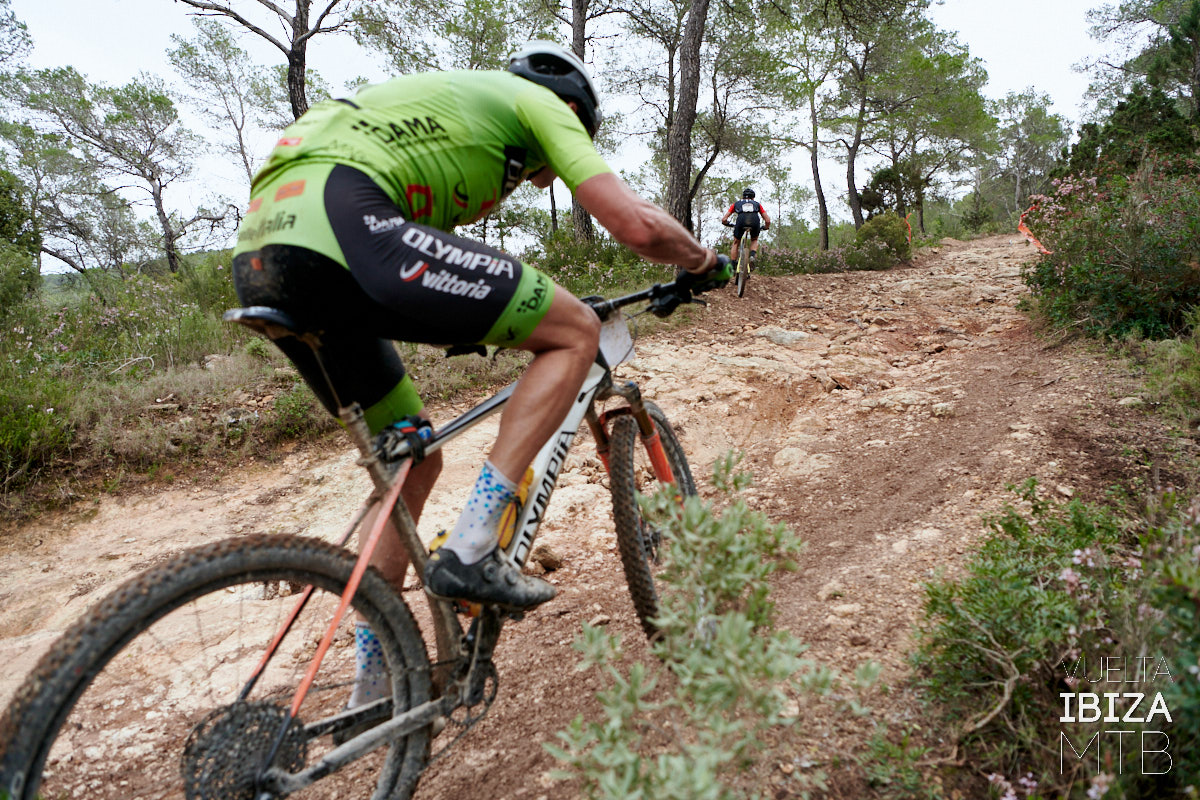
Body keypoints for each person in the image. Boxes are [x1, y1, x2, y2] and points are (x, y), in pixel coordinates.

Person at [230, 41, 729, 704]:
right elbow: (632, 224)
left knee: (414, 457)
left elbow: (418, 254)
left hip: (266, 252)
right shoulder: (538, 104)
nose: (541, 179)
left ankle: (377, 688)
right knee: (576, 329)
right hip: (347, 224)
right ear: (572, 113)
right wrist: (702, 262)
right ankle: (472, 549)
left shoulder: (440, 104)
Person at [720, 188, 771, 266]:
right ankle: (752, 255)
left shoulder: (736, 204)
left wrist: (727, 223)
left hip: (741, 220)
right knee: (754, 239)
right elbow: (767, 220)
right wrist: (766, 227)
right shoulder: (757, 204)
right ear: (753, 197)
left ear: (743, 197)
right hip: (754, 221)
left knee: (736, 242)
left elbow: (724, 219)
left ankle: (733, 264)